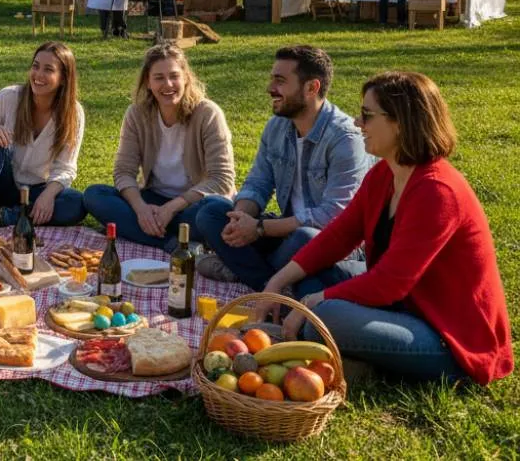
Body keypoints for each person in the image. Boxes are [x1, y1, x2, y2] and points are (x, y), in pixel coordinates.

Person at [259, 72, 512, 385]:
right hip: (402, 307)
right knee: (309, 278)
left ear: (401, 122)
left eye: (367, 115)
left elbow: (390, 283)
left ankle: (359, 356)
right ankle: (357, 353)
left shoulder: (437, 191)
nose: (357, 123)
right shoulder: (383, 175)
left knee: (322, 317)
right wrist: (276, 281)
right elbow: (337, 237)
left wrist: (315, 302)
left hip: (447, 337)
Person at [193, 45, 370, 288]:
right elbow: (258, 183)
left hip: (329, 244)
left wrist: (259, 228)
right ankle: (273, 280)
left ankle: (248, 273)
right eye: (272, 79)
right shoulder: (277, 127)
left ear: (311, 88)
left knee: (305, 238)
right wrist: (240, 219)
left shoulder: (345, 138)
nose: (270, 88)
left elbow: (333, 218)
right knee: (210, 210)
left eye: (280, 81)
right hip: (283, 233)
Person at [84, 43, 235, 249]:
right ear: (148, 82)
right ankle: (171, 242)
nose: (168, 84)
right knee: (95, 195)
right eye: (159, 78)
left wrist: (171, 209)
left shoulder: (208, 114)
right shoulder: (137, 114)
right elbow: (123, 171)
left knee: (217, 210)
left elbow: (222, 180)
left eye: (174, 76)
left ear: (186, 78)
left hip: (193, 203)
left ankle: (141, 230)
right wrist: (141, 210)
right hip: (154, 199)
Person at [0, 42, 87, 228]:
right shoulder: (8, 97)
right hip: (1, 183)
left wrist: (48, 196)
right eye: (35, 66)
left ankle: (0, 218)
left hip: (36, 190)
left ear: (64, 78)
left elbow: (66, 168)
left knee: (75, 203)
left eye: (48, 69)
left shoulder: (73, 113)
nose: (38, 75)